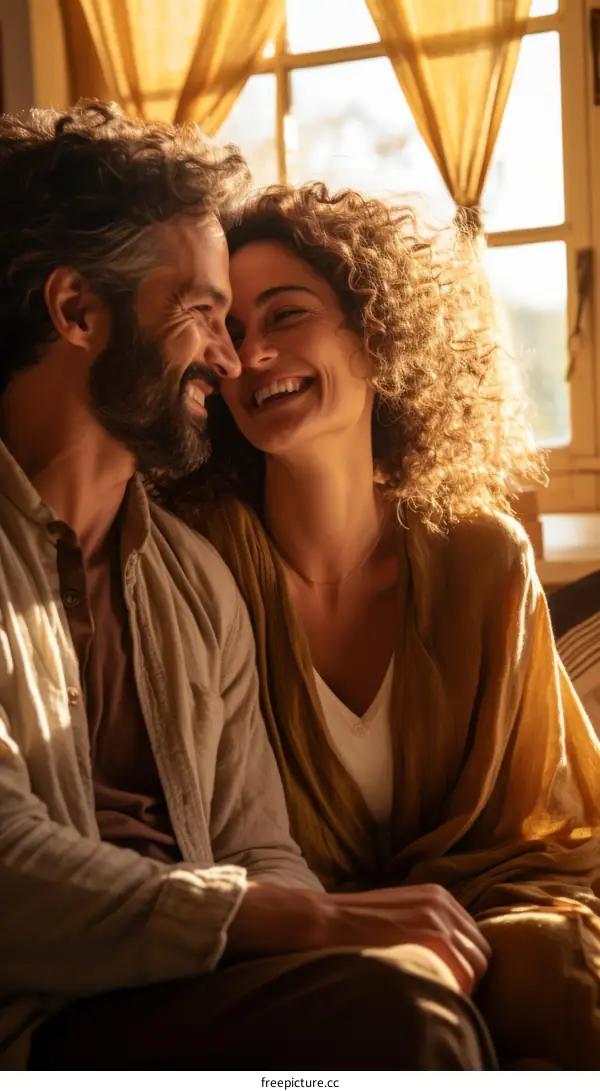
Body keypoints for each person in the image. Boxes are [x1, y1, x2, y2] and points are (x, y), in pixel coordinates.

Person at [0, 102, 498, 1073]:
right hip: (42, 1019)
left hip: (192, 994)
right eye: (202, 316)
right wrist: (304, 919)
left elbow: (258, 845)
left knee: (419, 995)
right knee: (402, 1021)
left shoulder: (195, 581)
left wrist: (331, 925)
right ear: (76, 312)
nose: (230, 362)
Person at [158, 183, 600, 1069]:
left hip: (489, 914)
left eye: (286, 314)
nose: (254, 355)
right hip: (295, 943)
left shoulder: (484, 559)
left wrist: (454, 931)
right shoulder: (195, 560)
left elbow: (546, 833)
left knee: (559, 964)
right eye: (233, 333)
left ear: (375, 335)